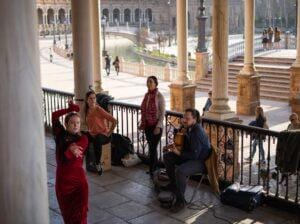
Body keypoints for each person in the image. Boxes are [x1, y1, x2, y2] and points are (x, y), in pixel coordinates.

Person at [163, 109, 211, 213]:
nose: (184, 120)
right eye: (183, 117)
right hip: (190, 156)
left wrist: (178, 153)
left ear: (195, 119)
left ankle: (180, 201)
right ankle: (174, 184)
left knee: (180, 171)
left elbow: (194, 155)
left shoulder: (197, 132)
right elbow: (183, 144)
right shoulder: (188, 128)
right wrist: (172, 145)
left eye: (187, 118)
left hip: (201, 162)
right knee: (168, 157)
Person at [52, 100, 89, 224]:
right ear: (66, 124)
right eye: (72, 123)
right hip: (63, 184)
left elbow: (73, 150)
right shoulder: (59, 134)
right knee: (68, 217)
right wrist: (69, 110)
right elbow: (54, 115)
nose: (75, 125)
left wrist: (72, 147)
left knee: (81, 215)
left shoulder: (83, 138)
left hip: (79, 182)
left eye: (78, 122)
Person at [85, 90, 117, 175]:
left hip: (104, 136)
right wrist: (89, 132)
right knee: (82, 136)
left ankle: (98, 164)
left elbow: (114, 121)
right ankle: (81, 161)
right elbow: (90, 126)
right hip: (94, 134)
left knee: (97, 138)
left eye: (94, 98)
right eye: (90, 98)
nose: (92, 100)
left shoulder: (98, 109)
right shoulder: (87, 111)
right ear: (86, 100)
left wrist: (109, 132)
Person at [139, 76, 165, 178]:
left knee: (153, 147)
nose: (149, 83)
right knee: (151, 147)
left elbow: (162, 113)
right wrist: (142, 123)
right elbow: (143, 111)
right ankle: (153, 169)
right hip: (148, 125)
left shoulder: (159, 96)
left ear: (155, 84)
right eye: (148, 82)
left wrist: (158, 126)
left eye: (151, 82)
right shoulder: (147, 95)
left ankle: (153, 169)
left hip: (156, 126)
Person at [279, 113, 300, 185]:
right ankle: (285, 178)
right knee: (287, 162)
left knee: (298, 164)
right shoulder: (289, 125)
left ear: (297, 119)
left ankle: (298, 179)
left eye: (293, 119)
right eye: (290, 120)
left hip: (297, 149)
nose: (292, 121)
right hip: (290, 148)